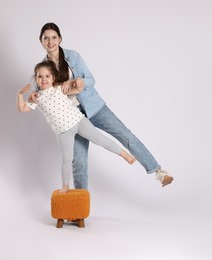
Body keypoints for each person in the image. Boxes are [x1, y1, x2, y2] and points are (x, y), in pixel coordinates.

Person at [30, 22, 173, 189]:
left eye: (54, 37)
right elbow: (40, 95)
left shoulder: (73, 57)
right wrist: (33, 96)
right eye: (46, 38)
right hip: (72, 118)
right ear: (41, 41)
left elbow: (91, 80)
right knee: (79, 162)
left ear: (60, 39)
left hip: (95, 108)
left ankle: (158, 171)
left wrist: (79, 81)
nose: (50, 41)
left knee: (125, 135)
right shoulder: (42, 68)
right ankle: (79, 209)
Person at [17, 60, 136, 193]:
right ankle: (65, 186)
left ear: (53, 78)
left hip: (78, 121)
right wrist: (20, 95)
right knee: (67, 159)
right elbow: (22, 108)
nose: (43, 79)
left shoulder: (59, 88)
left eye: (47, 76)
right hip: (62, 131)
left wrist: (78, 81)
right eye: (40, 76)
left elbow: (78, 88)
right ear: (36, 79)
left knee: (100, 139)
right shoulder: (36, 98)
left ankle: (125, 154)